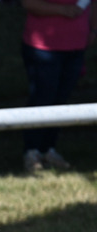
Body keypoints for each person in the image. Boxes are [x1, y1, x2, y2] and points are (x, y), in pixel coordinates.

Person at [20, 0, 95, 173]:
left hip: (76, 45)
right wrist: (63, 10)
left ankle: (48, 149)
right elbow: (29, 4)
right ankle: (31, 151)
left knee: (60, 100)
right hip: (43, 47)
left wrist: (93, 29)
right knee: (42, 97)